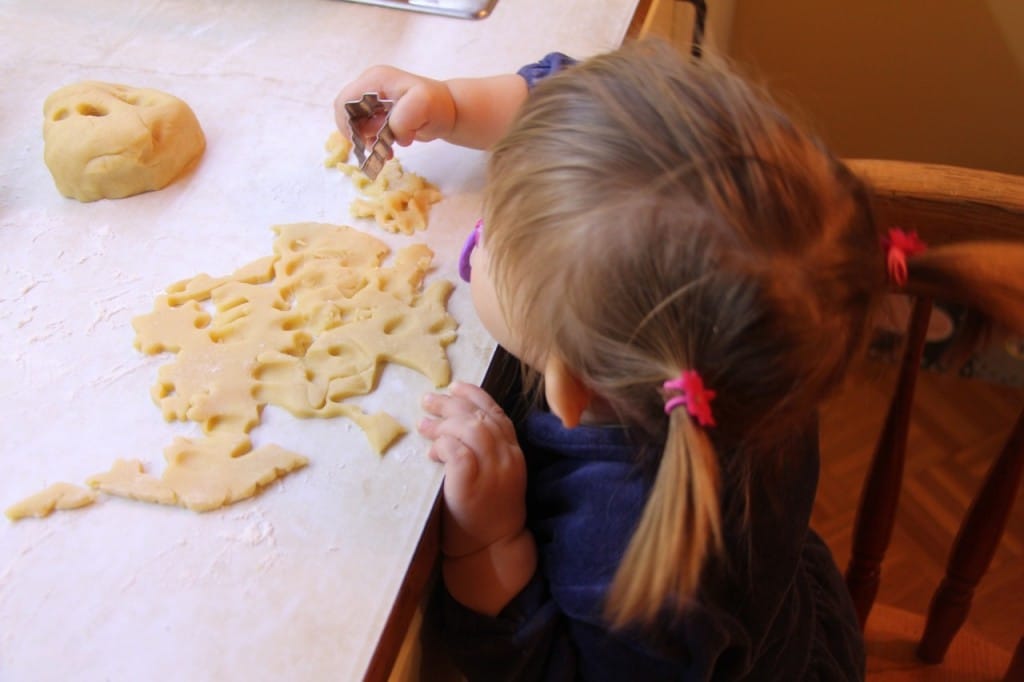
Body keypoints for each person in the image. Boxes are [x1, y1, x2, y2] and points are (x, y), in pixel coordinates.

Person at [334, 40, 1024, 681]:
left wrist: (490, 543)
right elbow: (588, 108)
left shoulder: (628, 565)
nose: (477, 236)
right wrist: (451, 104)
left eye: (492, 239)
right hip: (782, 613)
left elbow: (553, 670)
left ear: (570, 388)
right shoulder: (763, 317)